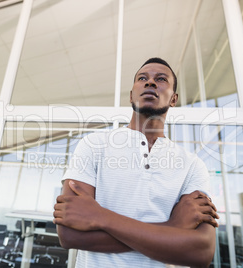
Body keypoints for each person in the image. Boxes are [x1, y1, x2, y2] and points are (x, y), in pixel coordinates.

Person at [53, 57, 219, 268]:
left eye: (161, 79)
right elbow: (70, 236)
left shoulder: (192, 165)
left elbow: (201, 252)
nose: (150, 83)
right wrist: (173, 227)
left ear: (174, 99)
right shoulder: (94, 144)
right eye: (142, 78)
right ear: (131, 95)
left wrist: (100, 217)